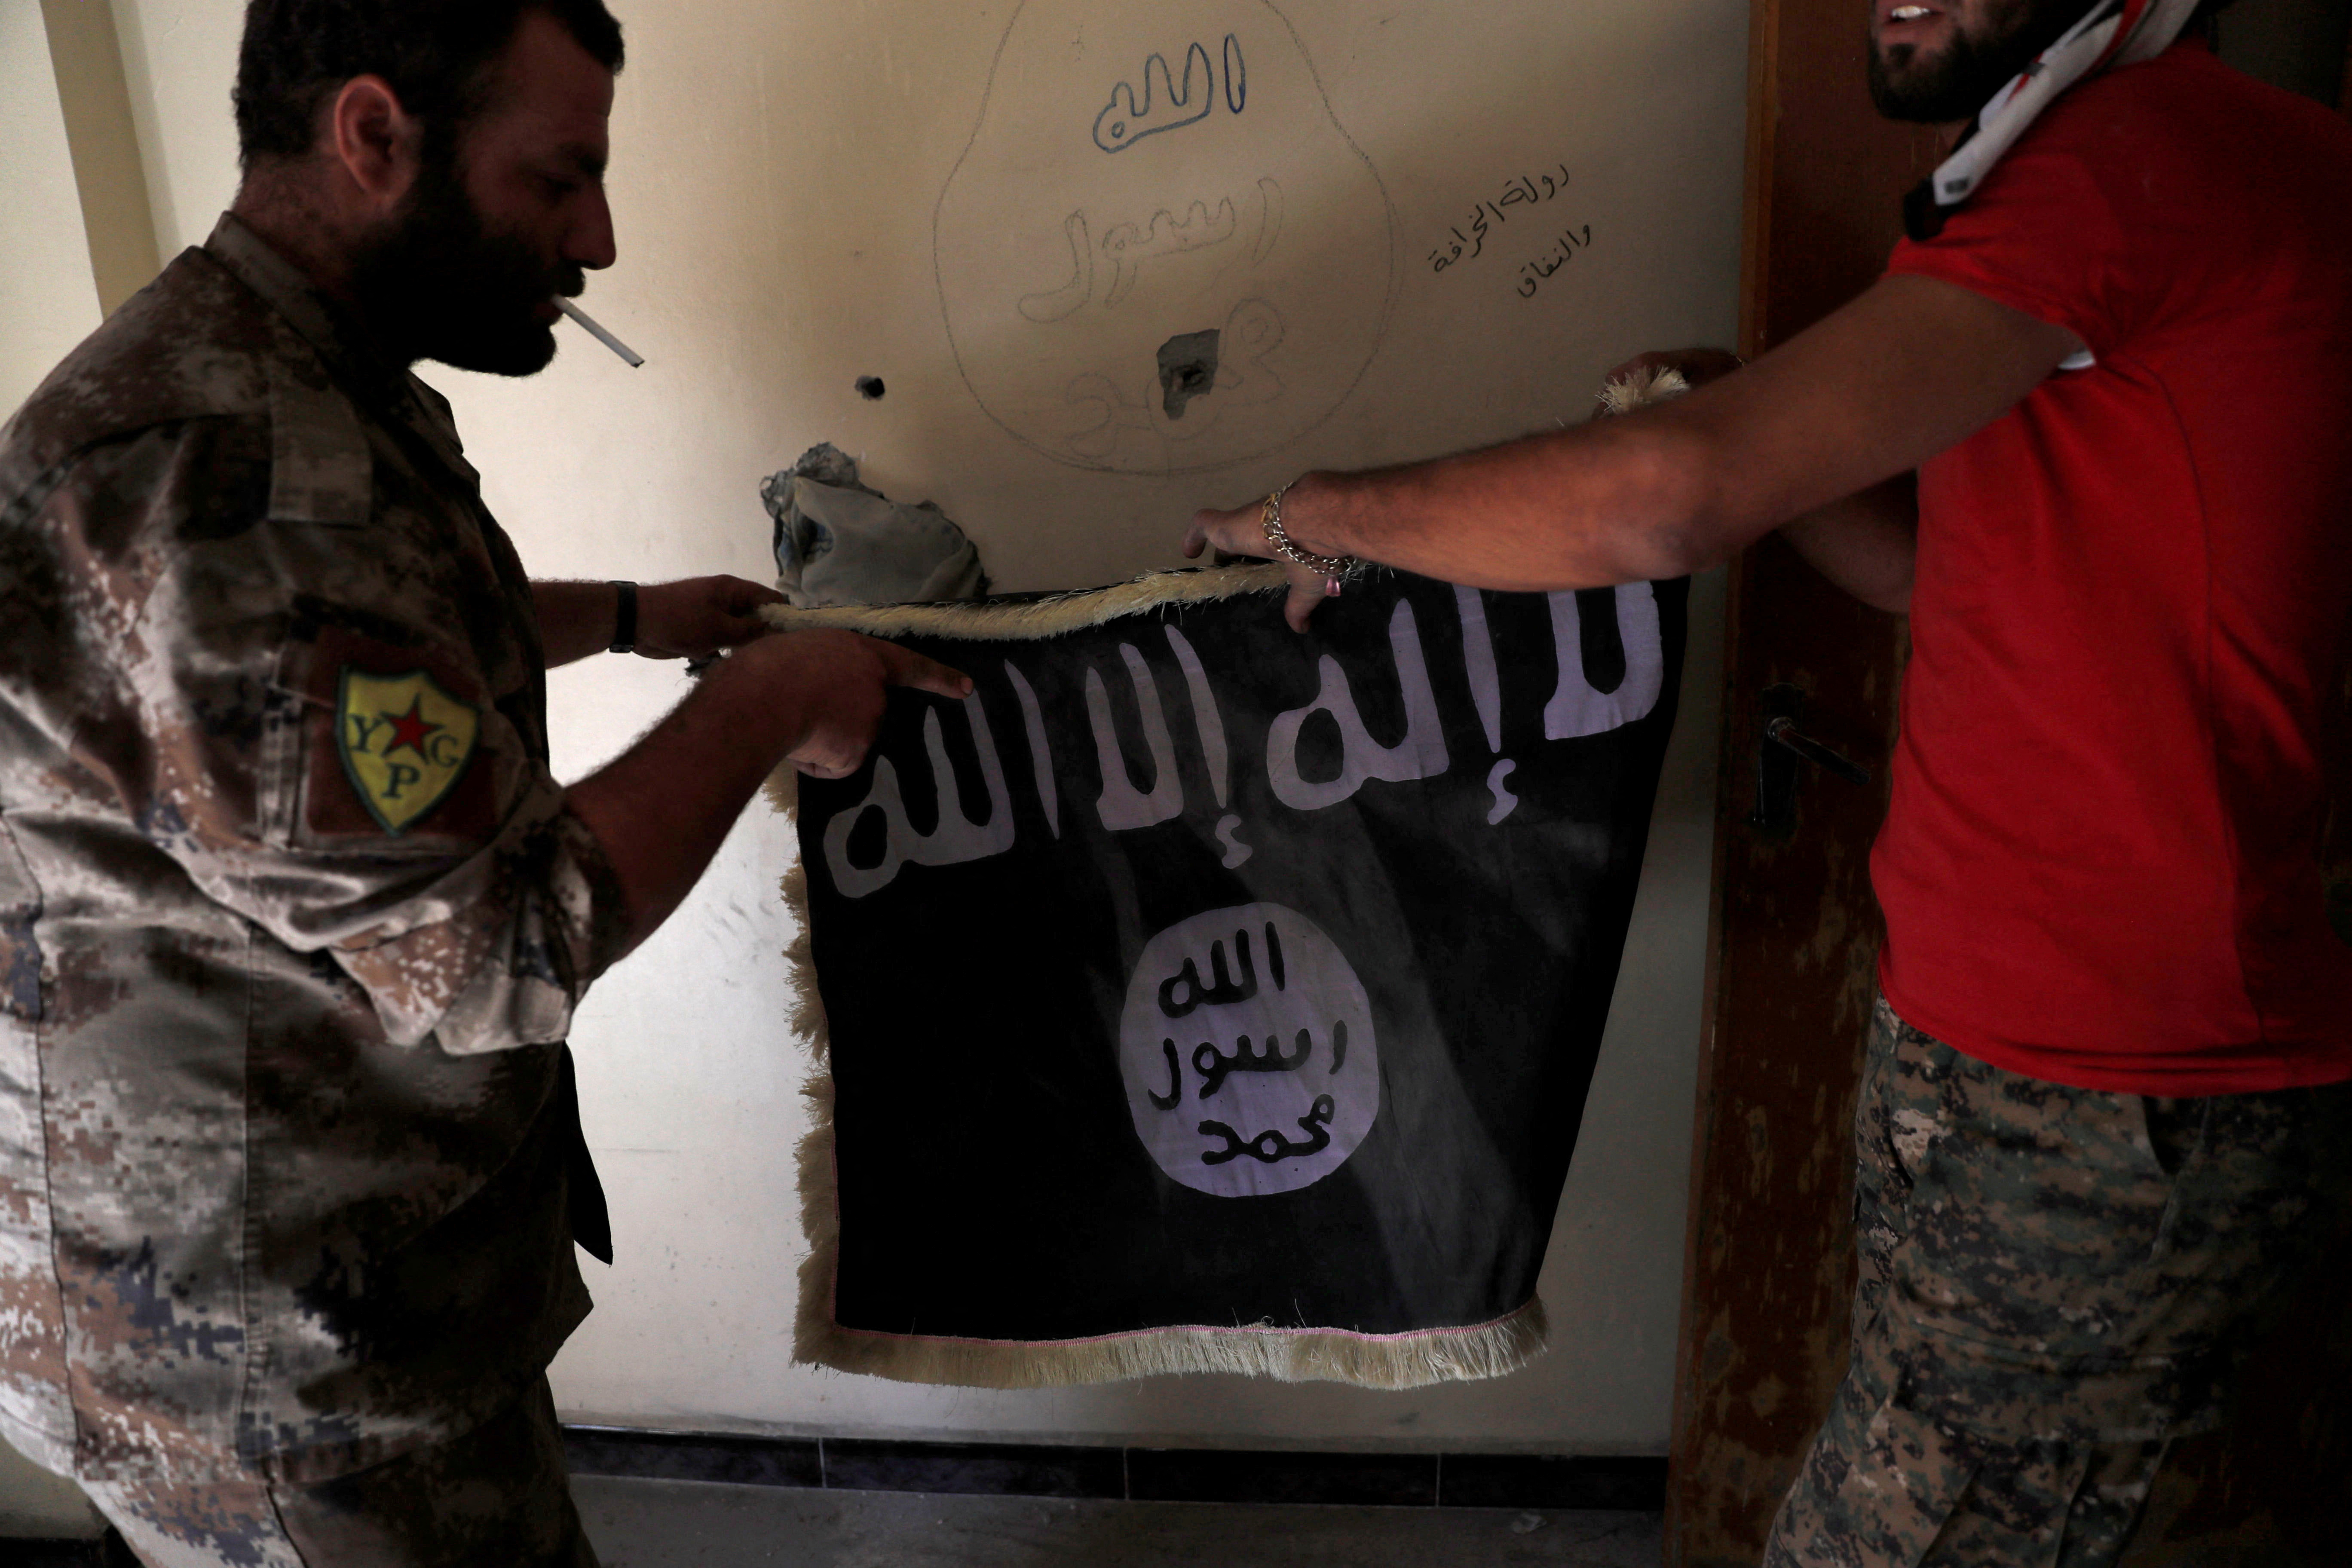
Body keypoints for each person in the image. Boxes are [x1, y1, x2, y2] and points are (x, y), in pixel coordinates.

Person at [1191, 0, 2352, 1560]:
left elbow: (1661, 505)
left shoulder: (2128, 161)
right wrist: (1758, 445)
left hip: (2108, 1087)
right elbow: (1944, 582)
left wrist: (1319, 512)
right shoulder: (2084, 171)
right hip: (2022, 1057)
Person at [0, 1, 965, 1562]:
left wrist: (639, 623)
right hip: (271, 1372)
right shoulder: (236, 475)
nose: (596, 237)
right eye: (557, 178)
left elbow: (345, 677)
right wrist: (778, 697)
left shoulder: (288, 378)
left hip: (314, 1283)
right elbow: (502, 947)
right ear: (374, 137)